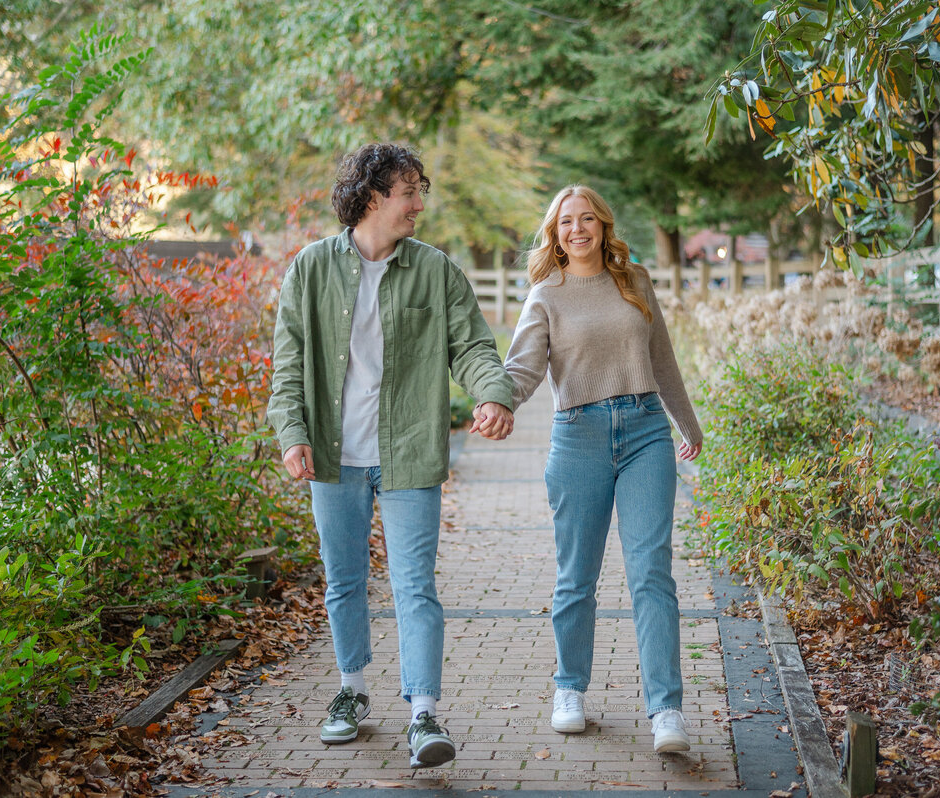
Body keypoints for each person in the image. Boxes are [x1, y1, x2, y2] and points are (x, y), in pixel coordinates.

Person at [267, 142, 514, 768]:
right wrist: (292, 431)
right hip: (333, 453)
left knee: (414, 586)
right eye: (409, 192)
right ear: (373, 195)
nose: (418, 204)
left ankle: (424, 712)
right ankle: (351, 691)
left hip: (407, 452)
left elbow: (474, 346)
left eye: (418, 191)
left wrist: (493, 395)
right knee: (343, 581)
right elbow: (289, 364)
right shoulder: (311, 269)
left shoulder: (436, 271)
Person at [501, 185, 702, 753]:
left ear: (603, 225)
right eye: (567, 221)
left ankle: (666, 711)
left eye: (587, 218)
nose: (578, 229)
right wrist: (497, 403)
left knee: (652, 575)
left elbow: (661, 354)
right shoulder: (546, 295)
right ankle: (569, 689)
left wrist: (687, 423)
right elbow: (522, 369)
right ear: (555, 231)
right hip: (578, 437)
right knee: (576, 577)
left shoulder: (633, 281)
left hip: (645, 432)